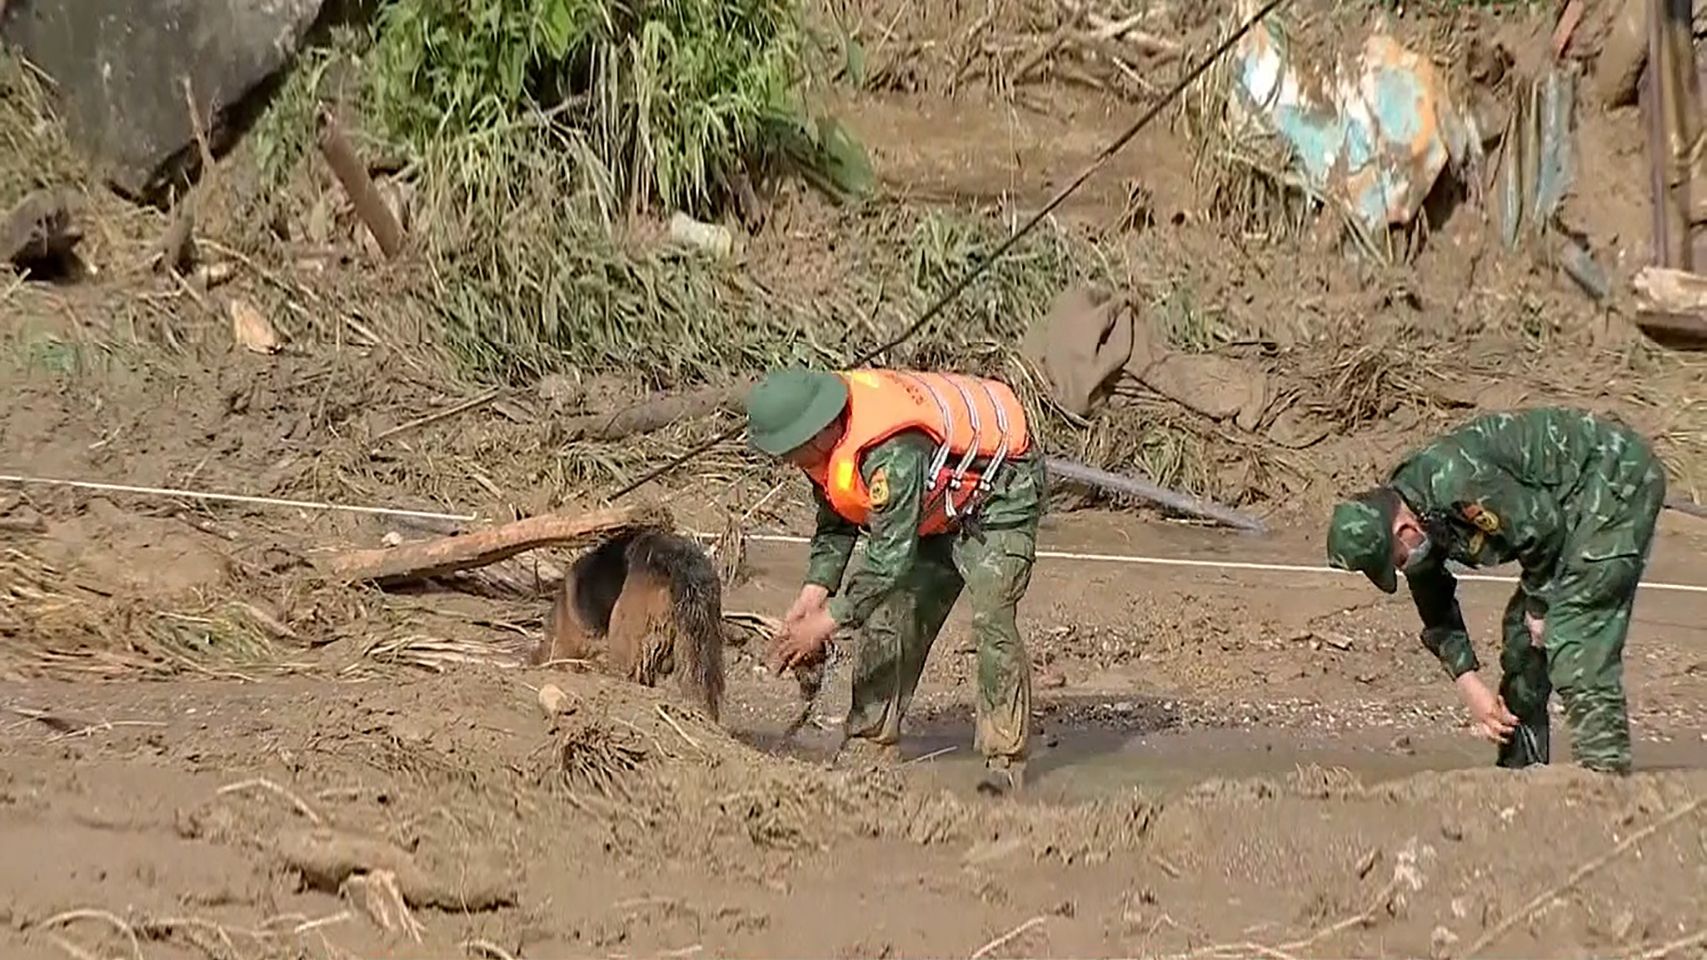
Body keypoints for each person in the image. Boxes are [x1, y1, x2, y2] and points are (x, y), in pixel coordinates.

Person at [744, 366, 1048, 796]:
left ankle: (1005, 761)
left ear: (814, 434)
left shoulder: (892, 452)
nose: (791, 464)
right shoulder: (826, 445)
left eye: (791, 454)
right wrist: (815, 591)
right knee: (889, 616)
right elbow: (837, 519)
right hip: (933, 505)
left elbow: (888, 560)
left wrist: (824, 623)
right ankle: (870, 742)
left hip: (999, 495)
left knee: (991, 619)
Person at [1324, 407, 1668, 775]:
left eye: (1394, 559)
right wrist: (1469, 684)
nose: (1399, 567)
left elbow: (1542, 528)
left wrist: (1539, 606)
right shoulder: (1419, 519)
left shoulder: (1455, 481)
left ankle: (1606, 781)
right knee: (1522, 642)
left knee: (1573, 633)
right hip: (1564, 515)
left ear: (1403, 529)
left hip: (1613, 479)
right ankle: (1522, 774)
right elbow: (1435, 605)